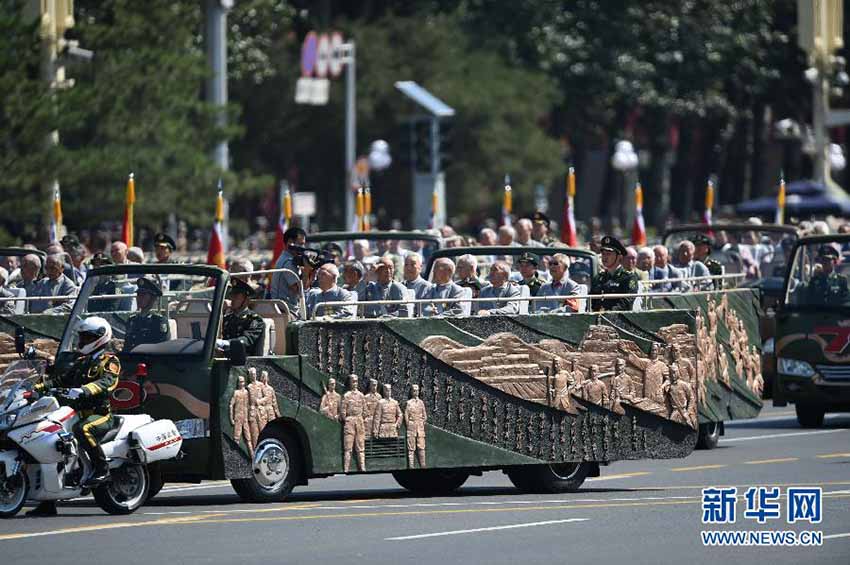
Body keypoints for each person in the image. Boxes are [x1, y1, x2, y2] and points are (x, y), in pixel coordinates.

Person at [28, 317, 119, 516]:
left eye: (87, 338)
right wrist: (37, 388)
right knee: (46, 439)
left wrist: (84, 390)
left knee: (83, 429)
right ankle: (48, 500)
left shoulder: (109, 360)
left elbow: (108, 382)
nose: (83, 342)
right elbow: (62, 380)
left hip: (99, 414)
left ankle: (101, 468)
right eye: (82, 337)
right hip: (73, 413)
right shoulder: (81, 361)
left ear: (100, 338)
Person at [217, 278, 266, 355]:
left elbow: (246, 340)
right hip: (225, 359)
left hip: (244, 362)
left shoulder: (254, 320)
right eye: (231, 296)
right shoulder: (227, 318)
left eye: (236, 297)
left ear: (246, 300)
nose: (232, 299)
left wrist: (224, 343)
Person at [590, 236, 639, 311]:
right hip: (596, 319)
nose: (604, 257)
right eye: (603, 253)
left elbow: (625, 304)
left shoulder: (628, 278)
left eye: (608, 254)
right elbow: (591, 302)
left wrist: (607, 313)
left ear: (619, 257)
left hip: (618, 320)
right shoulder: (599, 277)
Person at [123, 275, 169, 352]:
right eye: (138, 295)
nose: (139, 298)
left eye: (143, 295)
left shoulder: (159, 321)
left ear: (152, 298)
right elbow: (127, 346)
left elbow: (162, 346)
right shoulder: (132, 320)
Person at [269, 227, 307, 317]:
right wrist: (307, 270)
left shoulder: (287, 259)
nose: (303, 248)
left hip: (285, 308)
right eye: (300, 244)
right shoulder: (288, 262)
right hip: (285, 311)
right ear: (290, 243)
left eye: (304, 244)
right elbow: (299, 290)